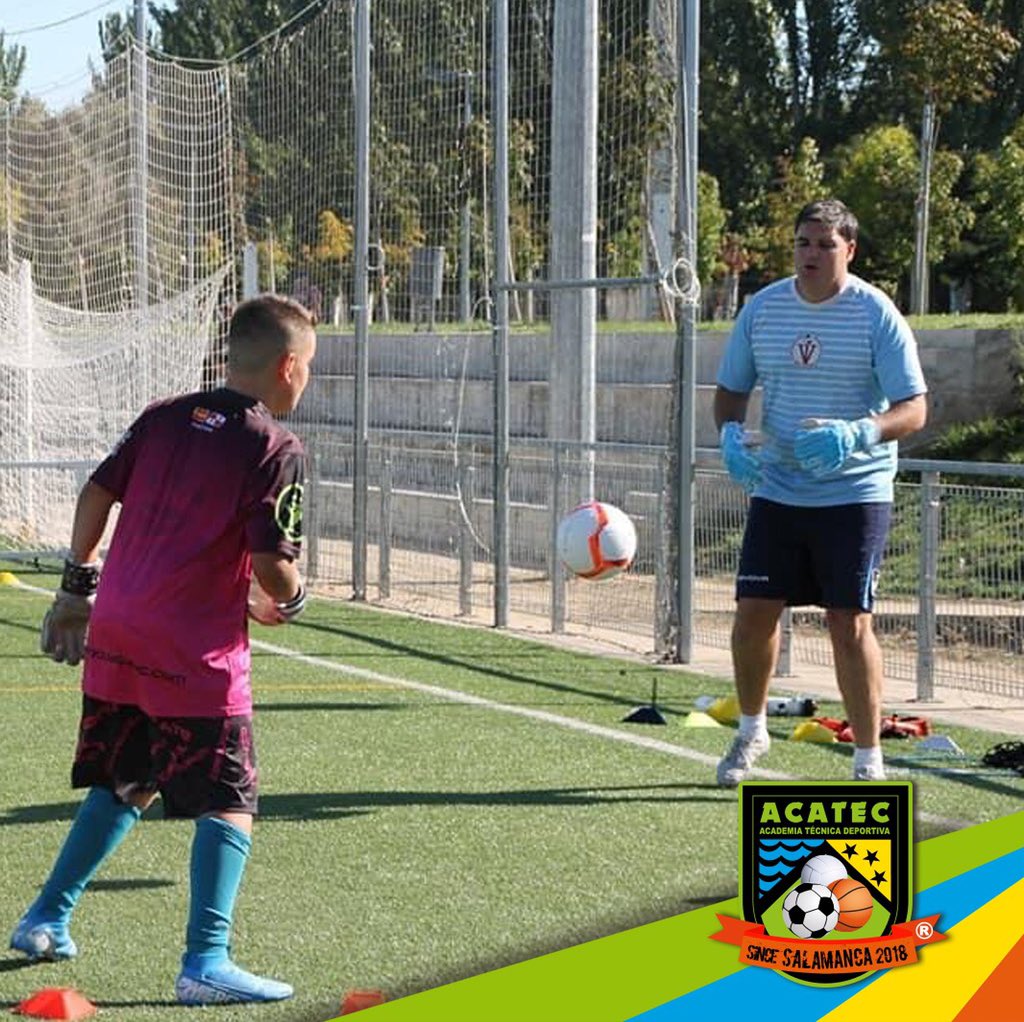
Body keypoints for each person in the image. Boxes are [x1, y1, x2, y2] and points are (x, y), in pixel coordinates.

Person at [9, 295, 317, 1005]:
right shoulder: (275, 447)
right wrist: (292, 601)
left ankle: (44, 919)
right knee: (231, 797)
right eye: (310, 370)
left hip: (116, 632)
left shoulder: (163, 414)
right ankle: (206, 961)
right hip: (193, 650)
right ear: (289, 367)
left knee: (128, 777)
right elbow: (274, 566)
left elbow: (96, 491)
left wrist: (74, 589)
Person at [713, 198, 927, 786]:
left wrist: (860, 432)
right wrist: (729, 436)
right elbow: (730, 391)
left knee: (848, 622)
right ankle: (751, 731)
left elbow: (914, 409)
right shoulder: (763, 309)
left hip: (854, 492)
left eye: (825, 245)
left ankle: (867, 761)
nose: (811, 254)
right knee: (754, 613)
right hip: (779, 488)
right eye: (803, 243)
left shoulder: (876, 313)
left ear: (849, 251)